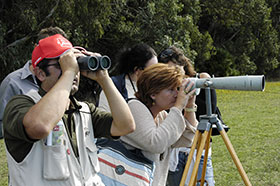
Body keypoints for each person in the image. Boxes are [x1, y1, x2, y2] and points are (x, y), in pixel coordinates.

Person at [2, 34, 135, 186]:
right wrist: (69, 72)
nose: (73, 70)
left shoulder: (83, 111)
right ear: (40, 73)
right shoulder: (21, 105)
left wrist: (104, 78)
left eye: (75, 64)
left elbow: (126, 125)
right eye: (62, 64)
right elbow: (40, 126)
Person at [119, 63, 198, 186]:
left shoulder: (161, 116)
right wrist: (179, 106)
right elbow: (156, 143)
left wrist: (189, 106)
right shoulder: (134, 108)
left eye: (177, 89)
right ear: (153, 94)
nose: (177, 95)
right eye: (171, 90)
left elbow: (186, 139)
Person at [158, 46, 216, 186]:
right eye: (167, 71)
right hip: (175, 150)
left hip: (198, 148)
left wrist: (190, 103)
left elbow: (210, 113)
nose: (174, 74)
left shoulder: (201, 79)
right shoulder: (166, 89)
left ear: (183, 65)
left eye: (175, 69)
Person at [0, 26, 68, 139]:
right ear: (36, 48)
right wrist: (27, 128)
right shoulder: (13, 82)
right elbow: (2, 123)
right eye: (51, 48)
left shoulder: (62, 80)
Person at [98, 43, 158, 110]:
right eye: (152, 70)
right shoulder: (113, 85)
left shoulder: (152, 89)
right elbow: (103, 114)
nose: (155, 74)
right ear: (137, 70)